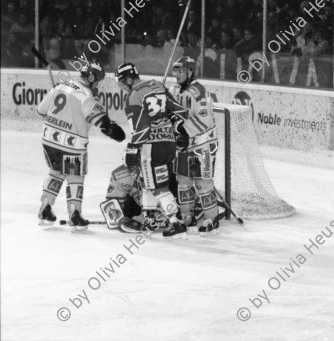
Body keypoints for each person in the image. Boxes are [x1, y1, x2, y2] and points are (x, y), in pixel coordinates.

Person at [37, 62, 125, 230]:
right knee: (75, 177)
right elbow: (102, 122)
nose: (98, 84)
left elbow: (41, 111)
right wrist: (114, 130)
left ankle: (45, 208)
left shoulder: (59, 86)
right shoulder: (86, 94)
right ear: (90, 77)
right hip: (72, 144)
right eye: (98, 81)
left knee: (56, 172)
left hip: (49, 141)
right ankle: (74, 213)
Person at [116, 62, 190, 239]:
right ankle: (150, 220)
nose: (121, 86)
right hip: (169, 143)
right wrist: (174, 124)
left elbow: (141, 130)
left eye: (121, 82)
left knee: (159, 188)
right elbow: (181, 111)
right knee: (148, 183)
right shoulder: (157, 84)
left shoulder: (133, 96)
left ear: (128, 79)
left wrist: (132, 149)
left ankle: (176, 223)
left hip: (151, 147)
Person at [169, 56, 220, 235]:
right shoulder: (174, 90)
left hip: (202, 145)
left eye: (180, 71)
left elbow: (204, 119)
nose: (176, 74)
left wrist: (183, 131)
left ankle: (211, 219)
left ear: (190, 71)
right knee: (183, 182)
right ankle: (187, 216)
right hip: (184, 146)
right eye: (175, 71)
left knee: (203, 183)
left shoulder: (199, 91)